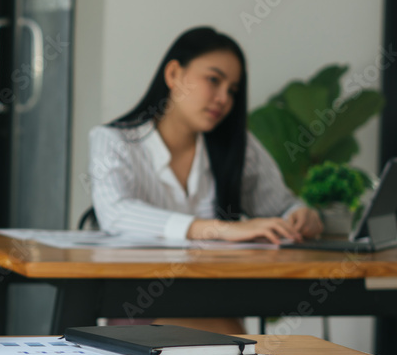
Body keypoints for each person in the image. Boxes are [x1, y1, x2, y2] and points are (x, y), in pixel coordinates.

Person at [88, 27, 323, 333]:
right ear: (173, 74)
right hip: (139, 304)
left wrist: (299, 216)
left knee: (233, 345)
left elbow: (280, 205)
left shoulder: (238, 146)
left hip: (216, 299)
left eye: (233, 89)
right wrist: (222, 230)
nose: (223, 98)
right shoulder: (113, 141)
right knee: (231, 347)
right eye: (213, 80)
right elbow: (116, 213)